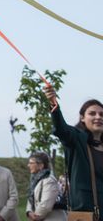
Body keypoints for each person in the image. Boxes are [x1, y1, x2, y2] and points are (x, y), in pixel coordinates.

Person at [43, 86, 103, 215]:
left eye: (102, 114)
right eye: (92, 113)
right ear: (82, 118)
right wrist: (53, 103)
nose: (98, 117)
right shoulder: (76, 139)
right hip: (86, 212)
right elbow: (61, 129)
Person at [25, 152, 67, 221]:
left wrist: (35, 216)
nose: (28, 165)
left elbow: (46, 205)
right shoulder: (34, 180)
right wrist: (29, 211)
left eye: (31, 163)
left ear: (41, 165)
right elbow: (30, 197)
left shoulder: (49, 180)